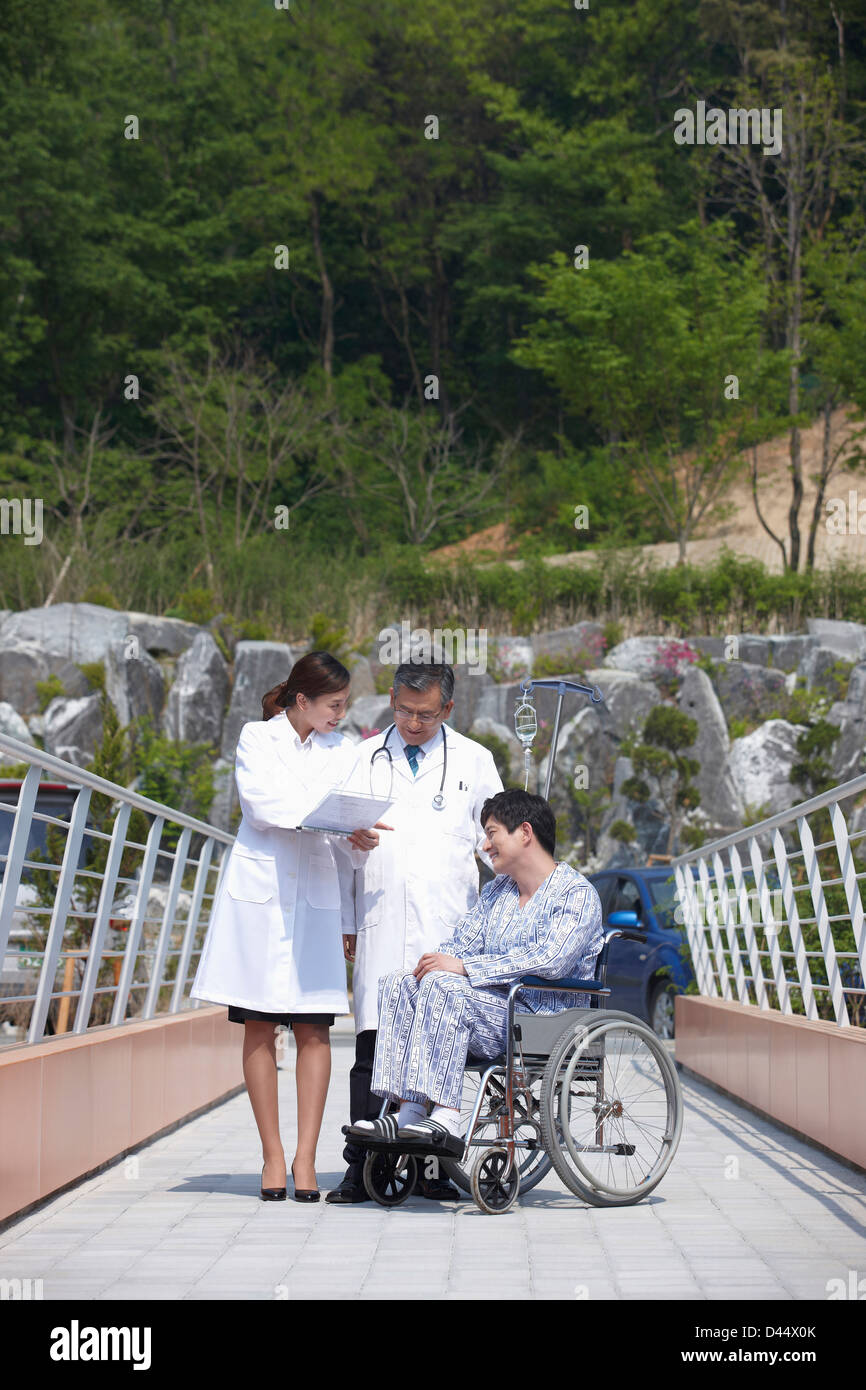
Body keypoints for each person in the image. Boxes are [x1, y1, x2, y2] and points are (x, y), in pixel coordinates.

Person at [190, 651, 385, 1202]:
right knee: (258, 1024)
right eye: (334, 705)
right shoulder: (257, 738)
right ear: (303, 700)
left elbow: (344, 810)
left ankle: (305, 1159)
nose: (340, 716)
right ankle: (272, 1156)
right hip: (262, 898)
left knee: (314, 1028)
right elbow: (260, 805)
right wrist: (328, 816)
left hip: (317, 897)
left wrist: (355, 833)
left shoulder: (342, 750)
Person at [326, 660, 503, 1204]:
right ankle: (362, 1168)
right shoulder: (363, 758)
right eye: (403, 710)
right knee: (373, 1049)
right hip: (379, 920)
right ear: (391, 700)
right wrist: (345, 916)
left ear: (447, 709)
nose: (412, 722)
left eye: (425, 714)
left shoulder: (475, 761)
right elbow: (331, 843)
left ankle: (432, 1169)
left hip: (447, 930)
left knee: (437, 1047)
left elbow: (495, 846)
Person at [346, 789, 603, 1156]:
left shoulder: (575, 893)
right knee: (399, 982)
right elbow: (462, 942)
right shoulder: (498, 891)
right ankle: (409, 1110)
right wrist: (435, 963)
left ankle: (447, 1116)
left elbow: (552, 959)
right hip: (495, 1014)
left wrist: (464, 968)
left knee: (447, 985)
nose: (485, 845)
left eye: (492, 833)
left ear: (525, 833)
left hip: (545, 1018)